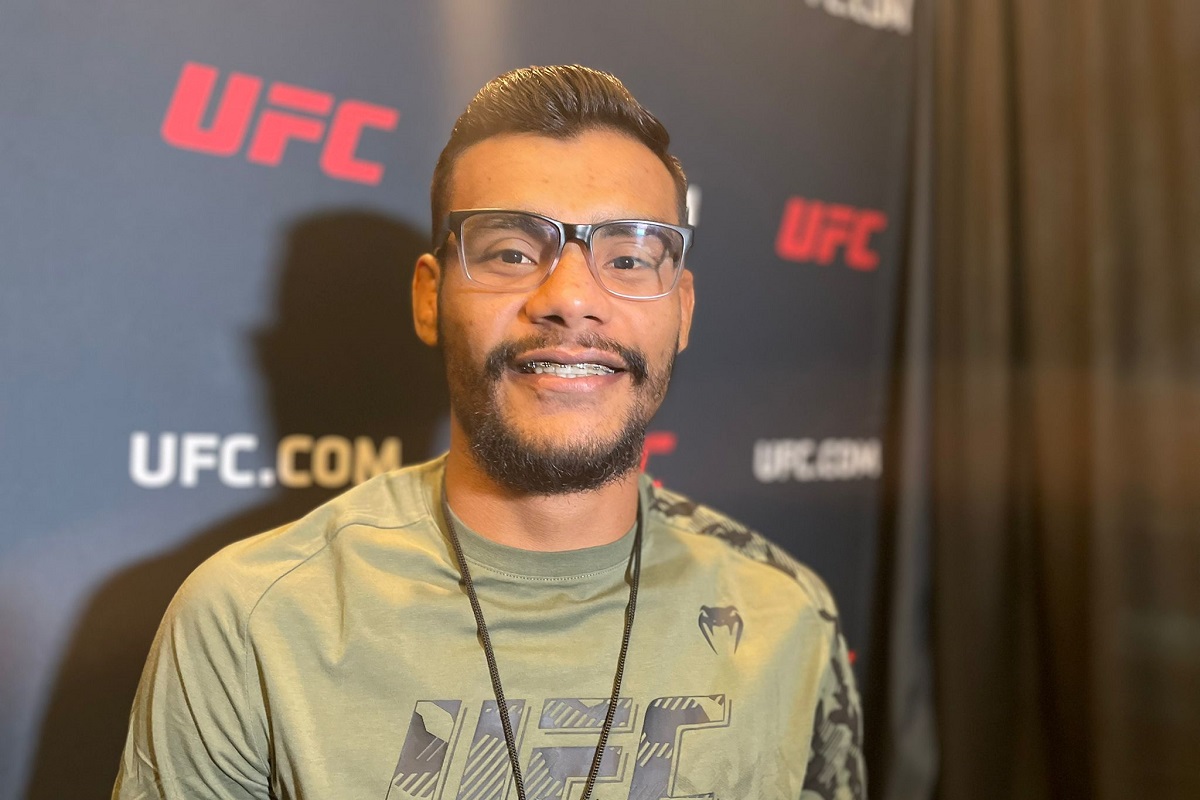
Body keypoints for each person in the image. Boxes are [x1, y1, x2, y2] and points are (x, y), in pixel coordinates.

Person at [113, 64, 864, 800]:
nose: (571, 298)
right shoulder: (252, 620)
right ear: (429, 298)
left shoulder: (787, 613)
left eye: (628, 258)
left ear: (683, 311)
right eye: (511, 253)